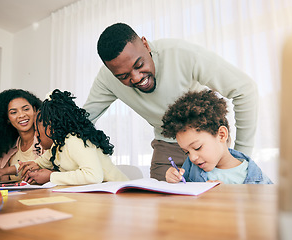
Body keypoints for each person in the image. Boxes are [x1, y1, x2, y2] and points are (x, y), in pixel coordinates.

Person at [83, 22, 258, 181]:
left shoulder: (182, 54)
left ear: (146, 44)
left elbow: (244, 90)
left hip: (205, 139)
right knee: (162, 202)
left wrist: (240, 156)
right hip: (167, 145)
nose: (136, 78)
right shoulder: (107, 79)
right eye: (123, 76)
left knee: (218, 201)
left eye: (139, 65)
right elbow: (82, 120)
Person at [18, 89, 129, 185]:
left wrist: (51, 176)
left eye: (37, 129)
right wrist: (30, 166)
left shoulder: (74, 139)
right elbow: (40, 162)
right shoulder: (58, 145)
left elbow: (93, 175)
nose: (36, 134)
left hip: (121, 194)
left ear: (51, 126)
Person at [161, 90, 272, 184]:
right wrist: (174, 180)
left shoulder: (257, 180)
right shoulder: (190, 166)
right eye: (187, 152)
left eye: (197, 147)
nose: (192, 157)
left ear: (222, 135)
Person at [0, 89, 43, 182]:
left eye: (26, 109)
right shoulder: (5, 146)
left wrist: (4, 171)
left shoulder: (47, 140)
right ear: (7, 118)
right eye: (13, 112)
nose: (21, 115)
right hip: (11, 196)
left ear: (35, 110)